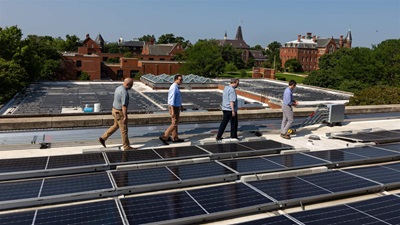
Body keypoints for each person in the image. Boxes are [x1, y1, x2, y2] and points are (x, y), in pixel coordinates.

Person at [98, 78, 136, 150]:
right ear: (127, 84)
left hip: (114, 110)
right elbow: (124, 106)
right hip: (120, 112)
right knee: (124, 130)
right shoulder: (124, 92)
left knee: (115, 126)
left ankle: (103, 138)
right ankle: (126, 146)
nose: (131, 87)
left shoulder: (118, 88)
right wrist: (125, 117)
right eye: (131, 85)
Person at [159, 75, 185, 145]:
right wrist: (173, 111)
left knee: (175, 123)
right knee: (174, 123)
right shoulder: (174, 88)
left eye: (182, 80)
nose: (181, 81)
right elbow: (171, 100)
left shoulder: (176, 87)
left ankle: (175, 138)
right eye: (180, 80)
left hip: (176, 107)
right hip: (174, 107)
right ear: (175, 79)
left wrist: (181, 106)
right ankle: (164, 137)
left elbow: (177, 99)